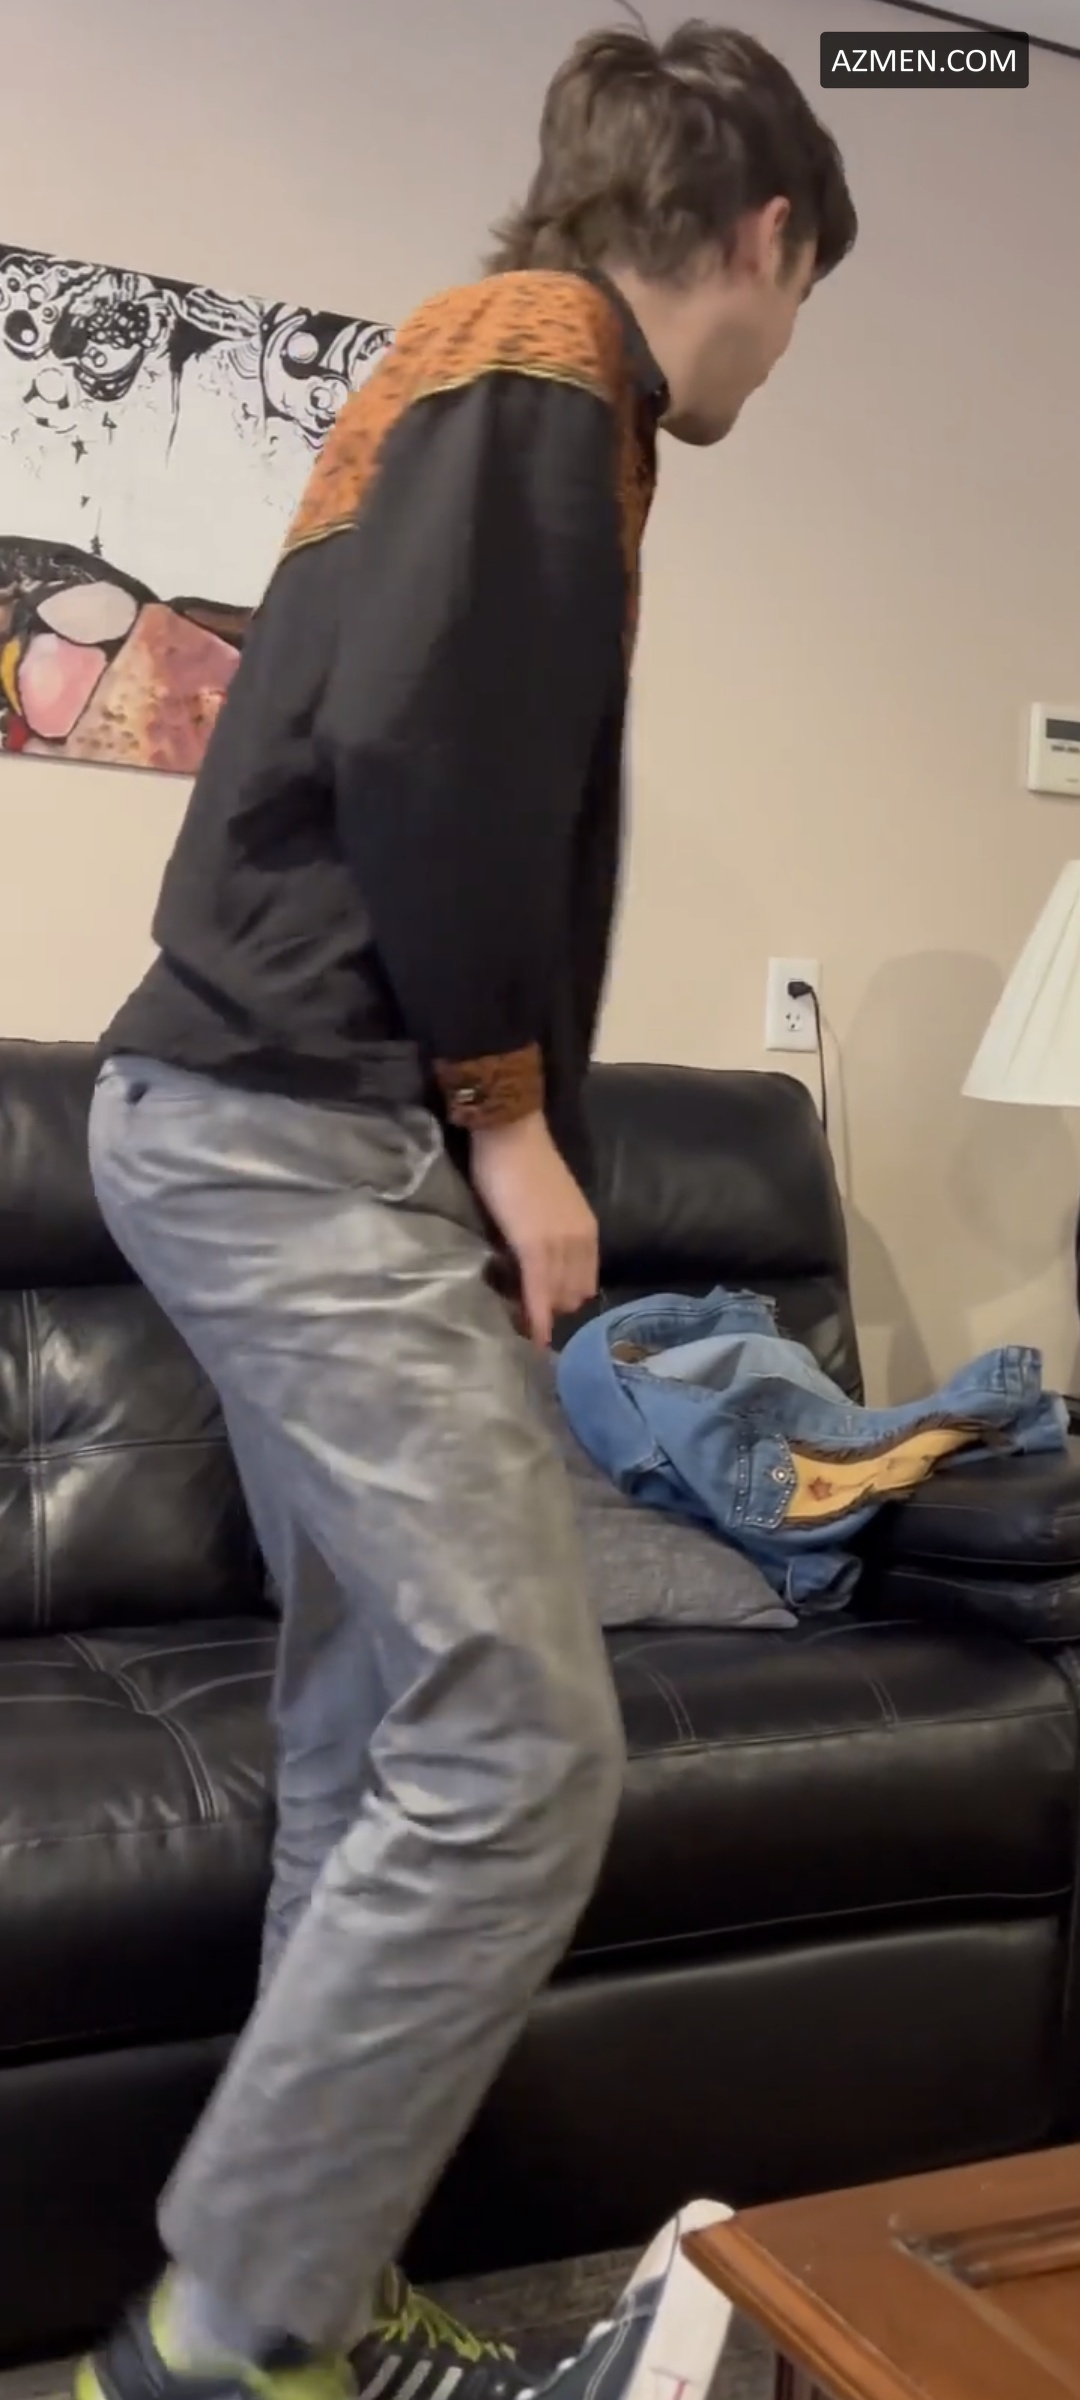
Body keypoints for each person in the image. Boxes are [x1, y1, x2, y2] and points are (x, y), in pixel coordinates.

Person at [79, 21, 856, 2400]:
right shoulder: (543, 357)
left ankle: (315, 2298)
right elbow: (427, 748)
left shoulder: (487, 369)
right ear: (763, 238)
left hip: (264, 1120)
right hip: (296, 1133)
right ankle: (225, 2337)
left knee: (375, 1729)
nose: (782, 349)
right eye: (802, 300)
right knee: (525, 1745)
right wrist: (508, 1124)